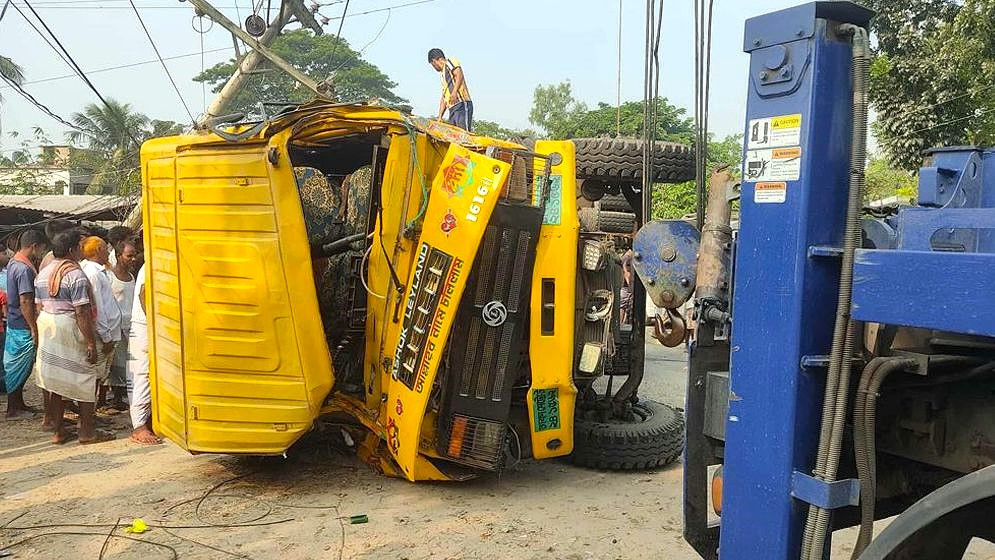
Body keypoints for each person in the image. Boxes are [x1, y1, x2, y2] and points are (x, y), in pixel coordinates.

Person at [35, 229, 114, 444]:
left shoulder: (43, 272)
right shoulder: (75, 275)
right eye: (79, 247)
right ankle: (87, 431)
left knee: (56, 381)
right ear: (71, 249)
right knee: (85, 376)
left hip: (48, 325)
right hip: (69, 326)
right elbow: (81, 311)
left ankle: (59, 430)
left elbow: (37, 306)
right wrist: (90, 342)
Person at [3, 229, 48, 419]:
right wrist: (33, 327)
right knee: (20, 365)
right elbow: (26, 301)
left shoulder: (15, 262)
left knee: (20, 365)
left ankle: (18, 403)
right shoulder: (22, 268)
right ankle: (13, 407)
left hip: (15, 321)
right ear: (35, 246)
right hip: (22, 323)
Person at [80, 236, 123, 410]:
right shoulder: (93, 273)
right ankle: (89, 418)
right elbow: (97, 309)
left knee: (98, 376)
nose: (108, 251)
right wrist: (106, 337)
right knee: (94, 377)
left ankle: (91, 415)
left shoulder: (97, 270)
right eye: (106, 248)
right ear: (98, 250)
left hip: (106, 333)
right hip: (101, 335)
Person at [129, 263, 159, 444]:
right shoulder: (151, 264)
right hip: (145, 326)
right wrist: (154, 322)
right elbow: (144, 293)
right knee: (143, 374)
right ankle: (139, 426)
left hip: (148, 325)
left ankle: (146, 421)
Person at [109, 238, 139, 412]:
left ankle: (121, 397)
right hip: (117, 326)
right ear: (119, 256)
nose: (133, 259)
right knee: (117, 364)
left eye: (134, 255)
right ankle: (114, 398)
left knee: (128, 363)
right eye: (129, 256)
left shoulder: (132, 276)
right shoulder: (110, 276)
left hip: (131, 325)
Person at [428, 48, 473, 131]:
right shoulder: (442, 75)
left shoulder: (450, 62)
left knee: (463, 133)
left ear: (434, 61)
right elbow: (444, 97)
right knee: (454, 135)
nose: (434, 68)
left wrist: (454, 92)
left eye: (432, 65)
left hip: (461, 104)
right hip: (452, 108)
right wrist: (440, 116)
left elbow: (459, 74)